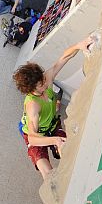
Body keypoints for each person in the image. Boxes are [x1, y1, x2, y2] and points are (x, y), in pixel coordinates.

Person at [13, 37, 93, 179]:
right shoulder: (33, 105)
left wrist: (79, 45)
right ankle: (57, 190)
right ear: (31, 89)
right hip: (37, 134)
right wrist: (55, 140)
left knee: (68, 148)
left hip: (51, 124)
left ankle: (78, 171)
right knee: (45, 168)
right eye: (40, 84)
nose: (45, 83)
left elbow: (64, 57)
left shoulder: (45, 79)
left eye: (43, 80)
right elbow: (33, 138)